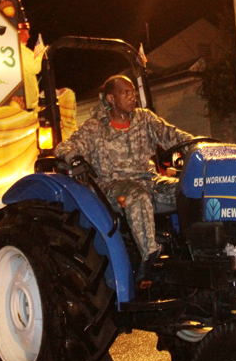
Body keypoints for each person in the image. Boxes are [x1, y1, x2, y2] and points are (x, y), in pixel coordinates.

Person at [55, 75, 194, 281]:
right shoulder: (95, 127)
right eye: (126, 92)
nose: (132, 97)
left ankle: (192, 250)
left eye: (133, 93)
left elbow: (174, 136)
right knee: (137, 197)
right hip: (112, 186)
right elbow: (63, 147)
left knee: (187, 190)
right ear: (111, 98)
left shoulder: (145, 119)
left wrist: (199, 146)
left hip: (149, 180)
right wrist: (74, 159)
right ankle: (152, 260)